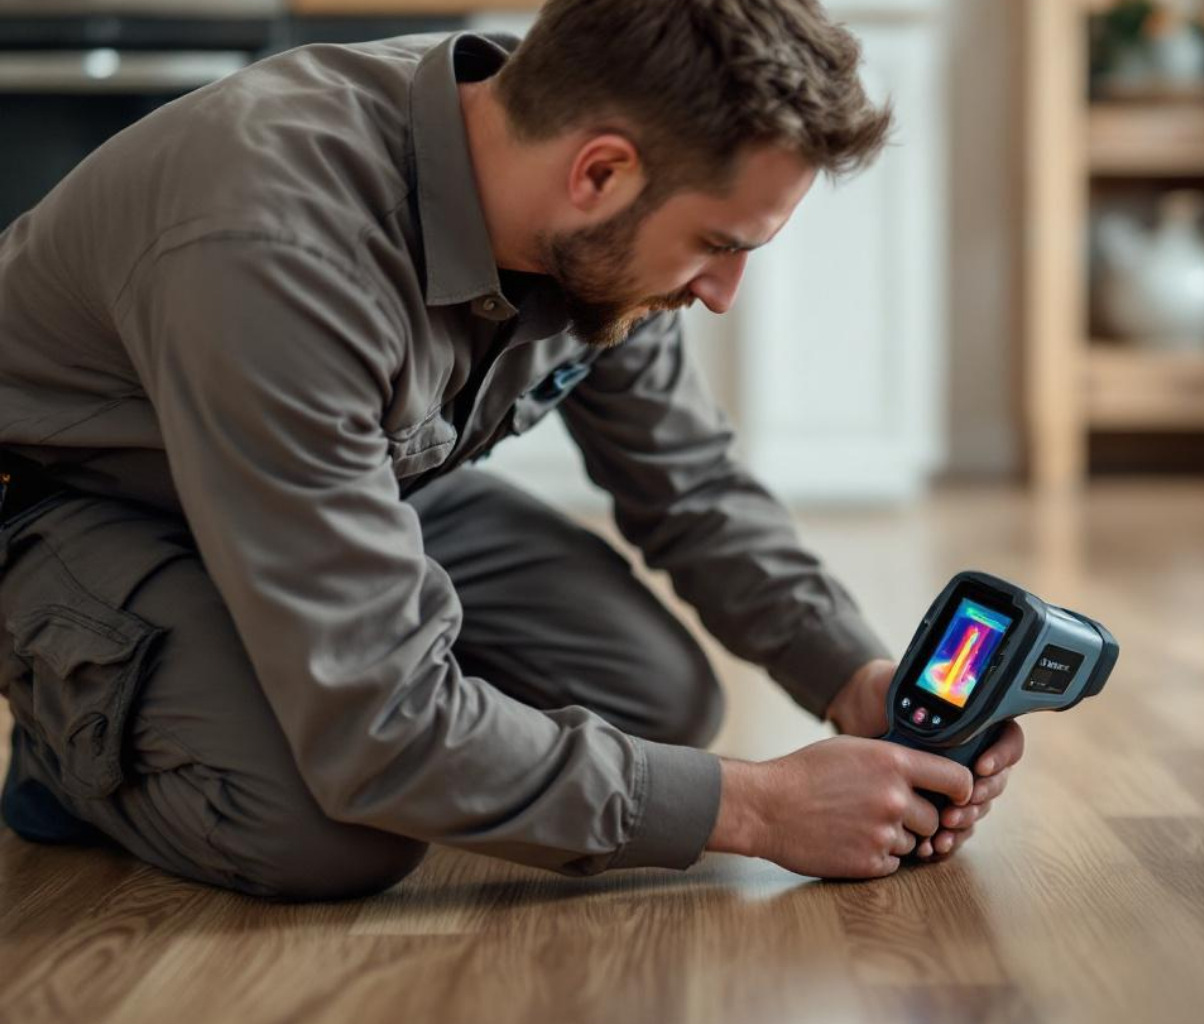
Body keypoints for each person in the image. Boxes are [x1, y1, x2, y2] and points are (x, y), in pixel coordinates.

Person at [0, 0, 1023, 901]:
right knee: (331, 832)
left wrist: (852, 673)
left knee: (656, 699)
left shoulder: (575, 183)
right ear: (601, 172)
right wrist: (757, 810)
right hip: (77, 505)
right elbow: (386, 731)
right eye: (721, 245)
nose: (721, 292)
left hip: (346, 486)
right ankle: (70, 736)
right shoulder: (276, 247)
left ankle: (273, 675)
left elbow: (692, 482)